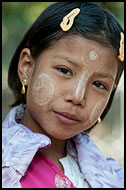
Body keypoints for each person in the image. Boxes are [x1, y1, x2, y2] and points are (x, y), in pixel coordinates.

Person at [2, 2, 124, 188]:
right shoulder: (6, 164)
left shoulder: (113, 177)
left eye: (99, 84)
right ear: (27, 67)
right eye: (64, 71)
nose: (77, 96)